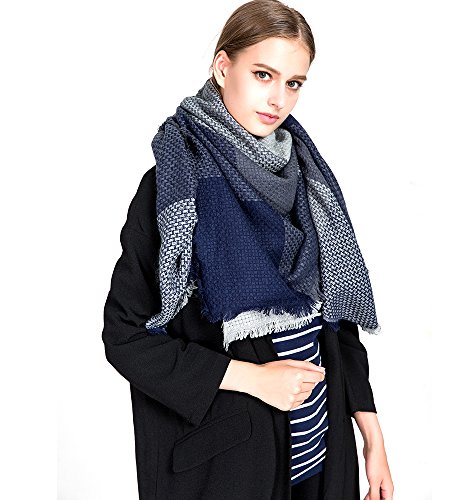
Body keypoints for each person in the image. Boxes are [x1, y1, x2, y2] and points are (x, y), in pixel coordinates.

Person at [102, 1, 394, 499]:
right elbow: (125, 338)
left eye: (294, 83)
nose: (278, 99)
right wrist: (250, 379)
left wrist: (372, 434)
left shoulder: (308, 179)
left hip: (323, 454)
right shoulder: (173, 186)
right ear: (223, 67)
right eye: (263, 74)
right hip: (231, 467)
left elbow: (337, 319)